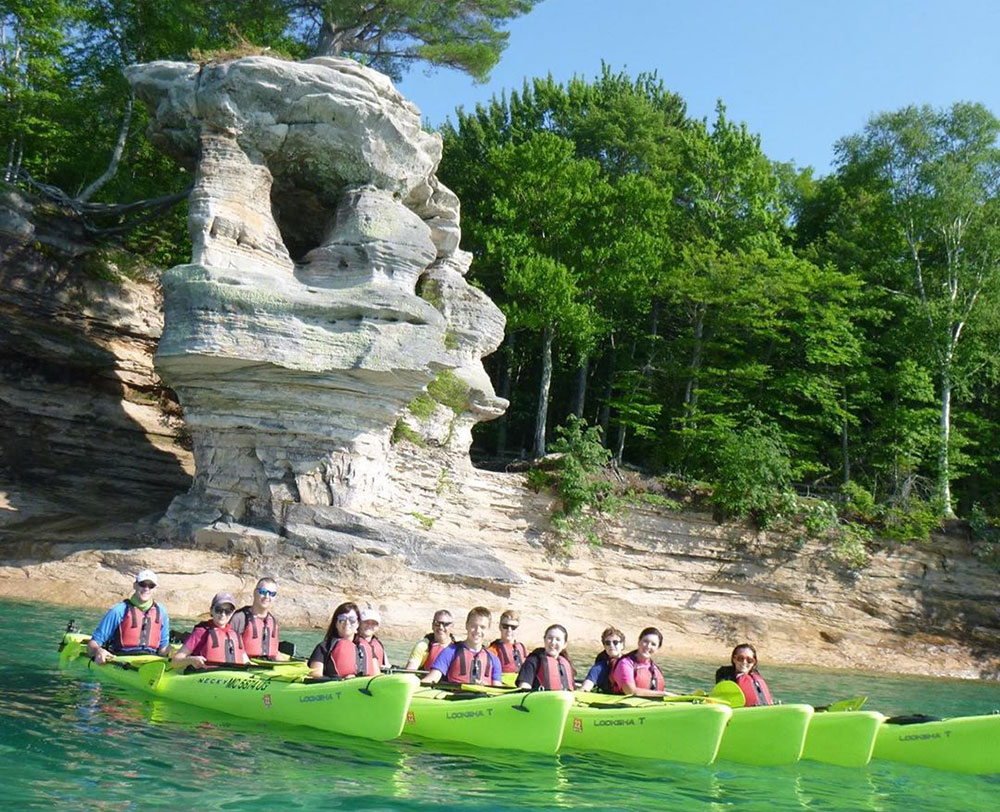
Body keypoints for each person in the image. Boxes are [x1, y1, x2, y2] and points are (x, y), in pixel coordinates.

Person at [87, 569, 171, 664]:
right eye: (142, 584)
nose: (146, 589)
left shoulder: (161, 612)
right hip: (122, 660)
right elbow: (92, 645)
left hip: (151, 661)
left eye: (151, 586)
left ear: (155, 589)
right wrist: (99, 650)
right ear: (135, 585)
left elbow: (163, 649)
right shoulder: (119, 610)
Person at [422, 606, 503, 687]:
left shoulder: (494, 659)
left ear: (488, 629)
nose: (477, 630)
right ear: (466, 625)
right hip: (455, 697)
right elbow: (432, 678)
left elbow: (497, 688)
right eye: (473, 626)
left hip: (484, 697)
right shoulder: (450, 651)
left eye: (482, 627)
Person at [171, 592, 249, 669]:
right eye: (219, 610)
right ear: (211, 610)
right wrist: (190, 660)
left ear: (232, 613)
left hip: (231, 676)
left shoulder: (235, 635)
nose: (223, 614)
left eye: (228, 611)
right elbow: (175, 661)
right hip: (203, 675)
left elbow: (246, 661)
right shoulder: (201, 632)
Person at [308, 601, 379, 678]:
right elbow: (315, 675)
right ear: (336, 624)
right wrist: (342, 680)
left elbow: (377, 675)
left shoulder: (367, 647)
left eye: (352, 620)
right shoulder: (323, 647)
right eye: (342, 619)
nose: (347, 623)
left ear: (357, 624)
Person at [229, 576, 289, 661]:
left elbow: (275, 653)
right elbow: (228, 647)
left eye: (272, 594)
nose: (267, 596)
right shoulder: (240, 618)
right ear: (255, 592)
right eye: (263, 592)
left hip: (267, 666)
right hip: (244, 667)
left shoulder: (273, 622)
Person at [610, 626, 671, 698]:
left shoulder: (654, 668)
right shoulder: (625, 663)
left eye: (653, 644)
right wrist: (663, 694)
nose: (648, 646)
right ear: (639, 642)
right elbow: (629, 691)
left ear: (657, 648)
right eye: (645, 641)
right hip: (624, 706)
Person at [516, 624, 575, 691]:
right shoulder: (533, 661)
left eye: (558, 639)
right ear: (544, 640)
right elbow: (523, 688)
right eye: (550, 638)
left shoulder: (566, 663)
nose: (553, 642)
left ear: (564, 644)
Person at [579, 626, 625, 692]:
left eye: (615, 642)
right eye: (608, 643)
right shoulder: (599, 668)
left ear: (622, 645)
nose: (611, 645)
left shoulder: (631, 664)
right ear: (604, 646)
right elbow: (586, 686)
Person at [488, 609, 527, 674]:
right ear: (500, 627)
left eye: (513, 627)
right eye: (505, 626)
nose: (509, 630)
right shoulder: (493, 650)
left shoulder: (522, 648)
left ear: (517, 629)